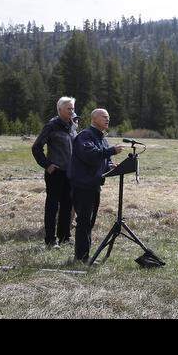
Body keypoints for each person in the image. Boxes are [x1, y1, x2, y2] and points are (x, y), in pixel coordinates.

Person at [69, 108, 124, 263]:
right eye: (104, 117)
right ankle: (81, 258)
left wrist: (111, 166)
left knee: (90, 222)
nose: (107, 119)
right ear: (94, 119)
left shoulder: (102, 138)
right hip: (83, 185)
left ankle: (84, 255)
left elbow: (103, 160)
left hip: (94, 185)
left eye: (108, 117)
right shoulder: (86, 135)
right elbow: (90, 156)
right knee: (84, 222)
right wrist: (111, 151)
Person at [31, 96, 78, 249]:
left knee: (67, 205)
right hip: (55, 173)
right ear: (59, 110)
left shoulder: (73, 126)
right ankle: (50, 240)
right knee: (52, 207)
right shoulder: (51, 126)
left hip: (70, 173)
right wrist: (47, 165)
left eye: (72, 108)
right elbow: (36, 147)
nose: (72, 111)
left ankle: (64, 237)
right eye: (68, 109)